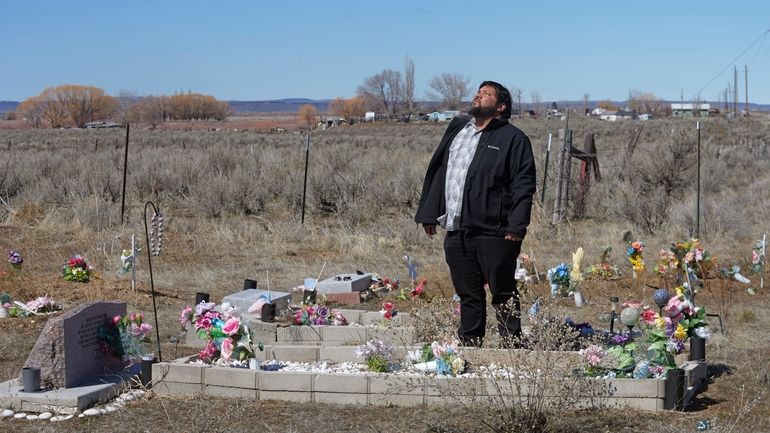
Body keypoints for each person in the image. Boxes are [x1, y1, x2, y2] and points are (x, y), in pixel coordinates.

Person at [414, 80, 536, 347]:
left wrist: (516, 227)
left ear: (501, 106)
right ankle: (470, 345)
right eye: (478, 92)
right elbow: (439, 171)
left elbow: (523, 185)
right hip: (457, 228)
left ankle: (512, 347)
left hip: (495, 231)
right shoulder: (459, 129)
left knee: (502, 291)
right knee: (468, 292)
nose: (478, 96)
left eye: (486, 94)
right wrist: (429, 212)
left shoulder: (513, 139)